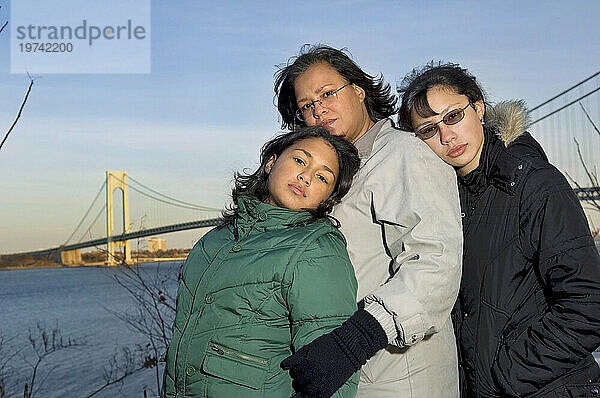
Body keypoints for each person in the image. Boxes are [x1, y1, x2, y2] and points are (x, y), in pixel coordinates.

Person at [397, 63, 600, 397]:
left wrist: (506, 374)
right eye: (428, 130)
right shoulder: (441, 203)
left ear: (478, 108)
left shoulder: (536, 186)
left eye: (452, 117)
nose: (446, 137)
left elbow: (589, 306)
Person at [275, 45, 463, 397]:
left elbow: (436, 261)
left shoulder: (403, 153)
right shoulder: (331, 173)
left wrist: (354, 341)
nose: (319, 109)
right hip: (343, 374)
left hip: (398, 376)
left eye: (327, 93)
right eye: (306, 106)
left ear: (359, 90)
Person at [160, 126, 361, 397]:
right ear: (271, 162)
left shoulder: (318, 249)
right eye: (300, 160)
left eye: (323, 177)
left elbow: (331, 373)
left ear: (328, 197)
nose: (306, 177)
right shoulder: (214, 240)